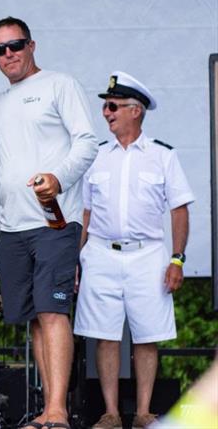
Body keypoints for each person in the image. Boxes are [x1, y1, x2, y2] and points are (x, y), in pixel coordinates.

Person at [0, 17, 98, 429]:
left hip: (54, 223)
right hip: (13, 227)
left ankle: (57, 412)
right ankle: (49, 409)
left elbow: (88, 142)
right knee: (35, 316)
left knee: (53, 312)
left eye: (14, 45)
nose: (8, 54)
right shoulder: (0, 103)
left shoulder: (59, 84)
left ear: (31, 45)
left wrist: (59, 178)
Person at [74, 72, 194, 429]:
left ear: (135, 110)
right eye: (105, 106)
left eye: (112, 106)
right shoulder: (95, 156)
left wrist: (178, 258)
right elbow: (86, 212)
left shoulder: (162, 156)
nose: (106, 113)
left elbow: (180, 209)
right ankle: (111, 412)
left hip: (148, 254)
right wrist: (77, 261)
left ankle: (143, 412)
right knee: (104, 334)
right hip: (99, 251)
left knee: (147, 334)